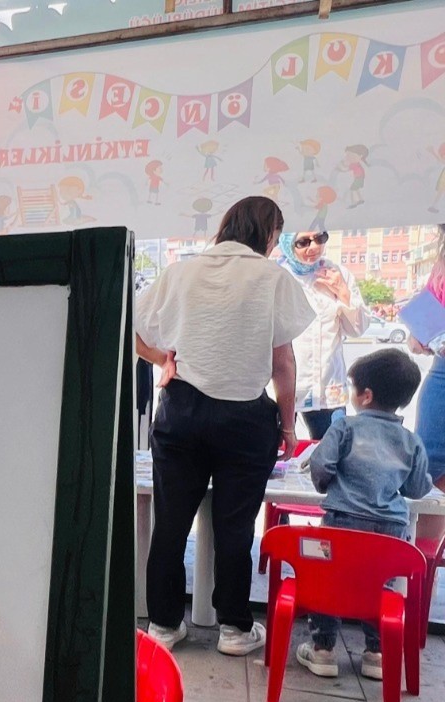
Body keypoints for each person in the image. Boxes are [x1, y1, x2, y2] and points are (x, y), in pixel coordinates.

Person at [135, 196, 315, 655]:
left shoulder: (180, 271)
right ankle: (235, 630)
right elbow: (283, 362)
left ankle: (163, 626)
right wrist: (289, 426)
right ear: (269, 233)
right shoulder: (272, 277)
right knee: (235, 527)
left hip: (181, 410)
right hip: (245, 417)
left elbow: (129, 323)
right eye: (278, 233)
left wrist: (163, 359)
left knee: (171, 522)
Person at [297, 349, 433, 680]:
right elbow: (417, 488)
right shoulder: (410, 441)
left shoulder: (345, 428)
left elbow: (321, 465)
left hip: (342, 520)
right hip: (390, 528)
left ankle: (323, 649)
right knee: (380, 583)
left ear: (366, 395)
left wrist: (325, 483)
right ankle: (375, 653)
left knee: (328, 577)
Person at [277, 230, 368, 438]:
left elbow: (357, 329)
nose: (314, 247)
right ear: (288, 244)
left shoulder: (337, 273)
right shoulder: (277, 277)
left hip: (328, 389)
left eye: (320, 239)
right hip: (285, 387)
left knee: (333, 456)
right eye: (303, 242)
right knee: (274, 456)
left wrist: (342, 292)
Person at [409, 228, 445, 490]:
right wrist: (423, 334)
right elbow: (418, 337)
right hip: (441, 375)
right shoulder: (441, 265)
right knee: (428, 478)